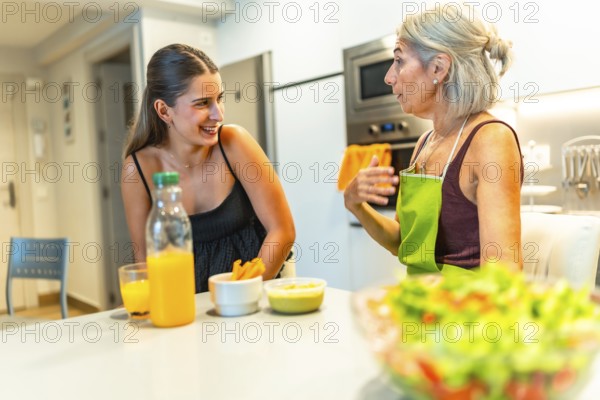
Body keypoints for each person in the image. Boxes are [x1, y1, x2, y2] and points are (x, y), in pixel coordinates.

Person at [343, 7, 523, 274]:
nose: (389, 77)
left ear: (438, 67)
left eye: (399, 61)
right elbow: (402, 243)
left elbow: (504, 270)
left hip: (469, 312)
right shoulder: (425, 143)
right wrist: (354, 203)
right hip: (420, 307)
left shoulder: (490, 139)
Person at [121, 43, 295, 292]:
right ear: (163, 110)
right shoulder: (136, 170)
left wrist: (241, 294)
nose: (218, 114)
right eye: (202, 103)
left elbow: (283, 230)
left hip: (251, 298)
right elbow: (146, 263)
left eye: (219, 99)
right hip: (184, 308)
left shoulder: (234, 143)